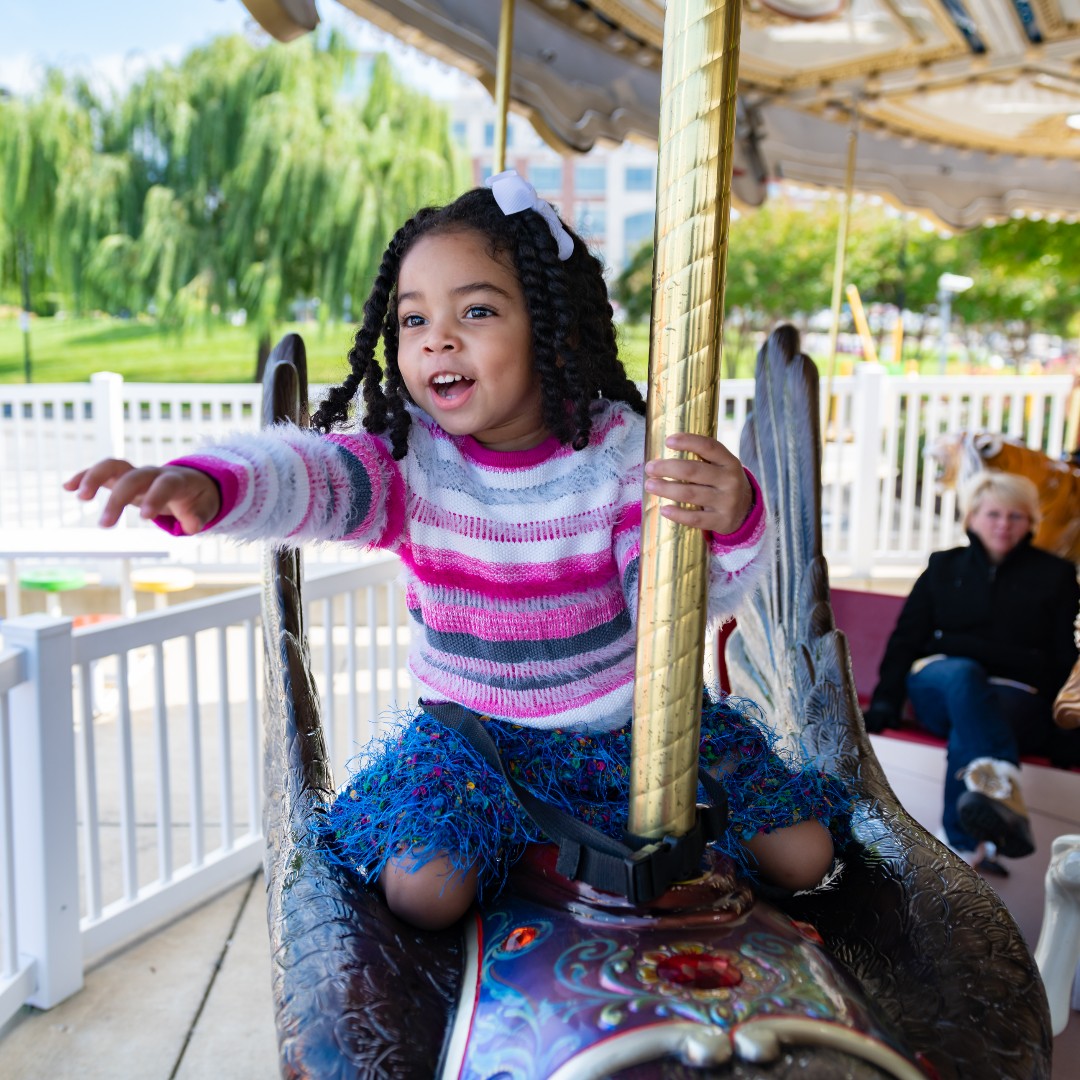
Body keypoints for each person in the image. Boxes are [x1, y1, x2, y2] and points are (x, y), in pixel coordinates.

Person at [66, 171, 849, 930]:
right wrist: (214, 486)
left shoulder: (617, 455)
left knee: (804, 855)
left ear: (551, 325)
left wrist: (735, 517)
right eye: (413, 320)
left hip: (632, 731)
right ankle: (529, 862)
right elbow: (312, 475)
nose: (436, 337)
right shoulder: (411, 462)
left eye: (475, 311)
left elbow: (680, 605)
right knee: (424, 891)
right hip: (479, 744)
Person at [865, 471, 1080, 863]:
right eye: (993, 513)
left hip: (1014, 698)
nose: (1003, 524)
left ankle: (962, 845)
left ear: (1031, 523)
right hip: (939, 684)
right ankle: (1002, 784)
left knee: (979, 711)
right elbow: (906, 640)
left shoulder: (1056, 576)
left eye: (1015, 516)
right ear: (971, 518)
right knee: (964, 675)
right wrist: (885, 702)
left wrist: (1066, 732)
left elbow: (1064, 656)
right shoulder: (943, 566)